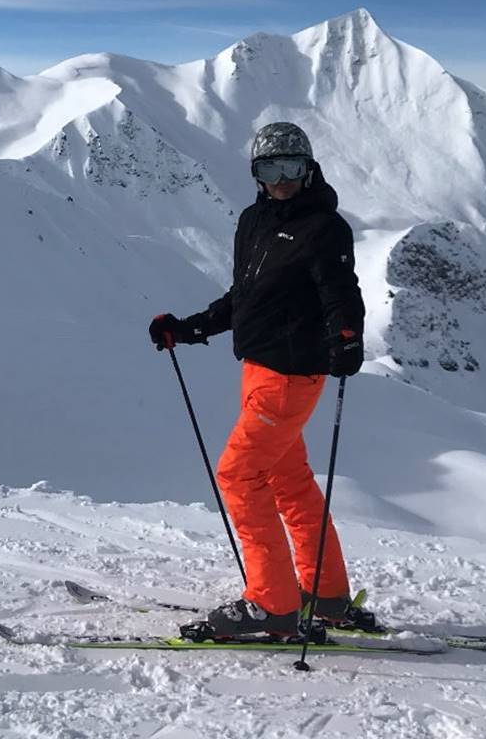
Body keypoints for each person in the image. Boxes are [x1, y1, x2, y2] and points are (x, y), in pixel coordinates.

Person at [148, 122, 366, 637]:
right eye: (270, 168)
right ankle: (326, 594)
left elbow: (342, 293)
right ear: (256, 174)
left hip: (291, 377)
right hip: (259, 371)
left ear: (309, 169)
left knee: (239, 475)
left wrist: (347, 337)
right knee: (289, 481)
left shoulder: (324, 228)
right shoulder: (254, 221)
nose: (282, 178)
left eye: (292, 166)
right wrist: (189, 328)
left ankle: (273, 604)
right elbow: (245, 297)